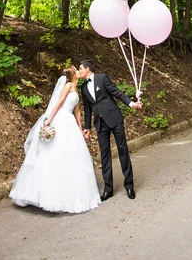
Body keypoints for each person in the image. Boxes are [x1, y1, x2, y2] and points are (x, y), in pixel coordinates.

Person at [9, 65, 101, 214]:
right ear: (72, 75)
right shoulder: (68, 85)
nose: (79, 72)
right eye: (76, 71)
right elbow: (59, 103)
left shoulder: (76, 88)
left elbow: (77, 110)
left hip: (70, 122)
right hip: (61, 119)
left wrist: (80, 128)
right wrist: (49, 120)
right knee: (55, 153)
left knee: (72, 155)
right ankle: (43, 194)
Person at [79, 59, 142, 201]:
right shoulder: (83, 88)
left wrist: (131, 104)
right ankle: (108, 189)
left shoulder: (102, 78)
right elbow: (87, 109)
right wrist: (87, 127)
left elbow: (116, 92)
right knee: (105, 155)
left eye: (81, 68)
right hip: (100, 124)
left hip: (114, 118)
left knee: (123, 150)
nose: (79, 71)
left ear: (88, 69)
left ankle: (129, 186)